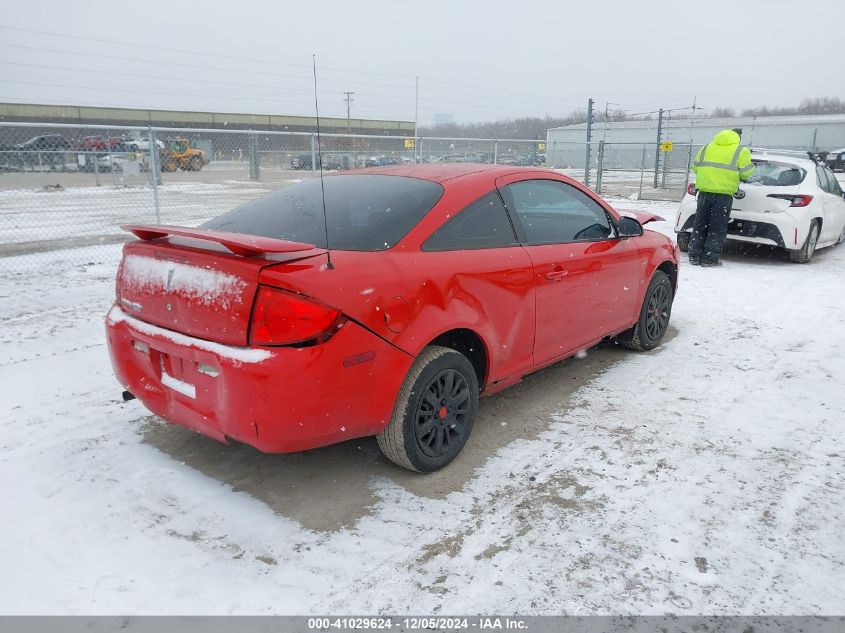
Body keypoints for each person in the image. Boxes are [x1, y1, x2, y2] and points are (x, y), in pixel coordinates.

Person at [688, 128, 754, 266]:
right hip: (723, 195)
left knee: (700, 224)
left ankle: (694, 256)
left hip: (704, 193)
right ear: (738, 138)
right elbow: (747, 173)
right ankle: (709, 258)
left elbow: (694, 168)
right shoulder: (740, 151)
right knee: (717, 227)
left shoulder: (707, 147)